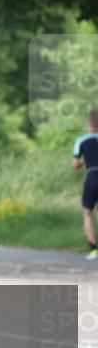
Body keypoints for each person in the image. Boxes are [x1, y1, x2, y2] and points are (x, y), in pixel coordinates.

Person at [72, 109, 98, 260]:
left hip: (92, 177)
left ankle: (94, 248)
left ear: (89, 124)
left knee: (88, 214)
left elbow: (75, 165)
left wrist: (83, 161)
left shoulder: (81, 141)